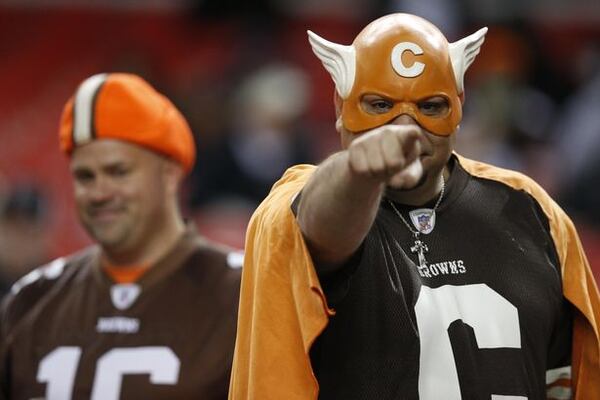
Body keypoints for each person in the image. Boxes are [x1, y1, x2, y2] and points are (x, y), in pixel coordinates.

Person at [229, 13, 600, 399]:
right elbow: (318, 227)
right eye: (379, 104)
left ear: (459, 105)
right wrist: (357, 171)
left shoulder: (532, 209)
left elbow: (567, 380)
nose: (405, 128)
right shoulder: (300, 206)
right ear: (340, 106)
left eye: (431, 106)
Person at [0, 73, 242, 399]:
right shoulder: (31, 300)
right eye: (85, 176)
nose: (100, 193)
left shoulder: (242, 295)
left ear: (169, 174)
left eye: (118, 172)